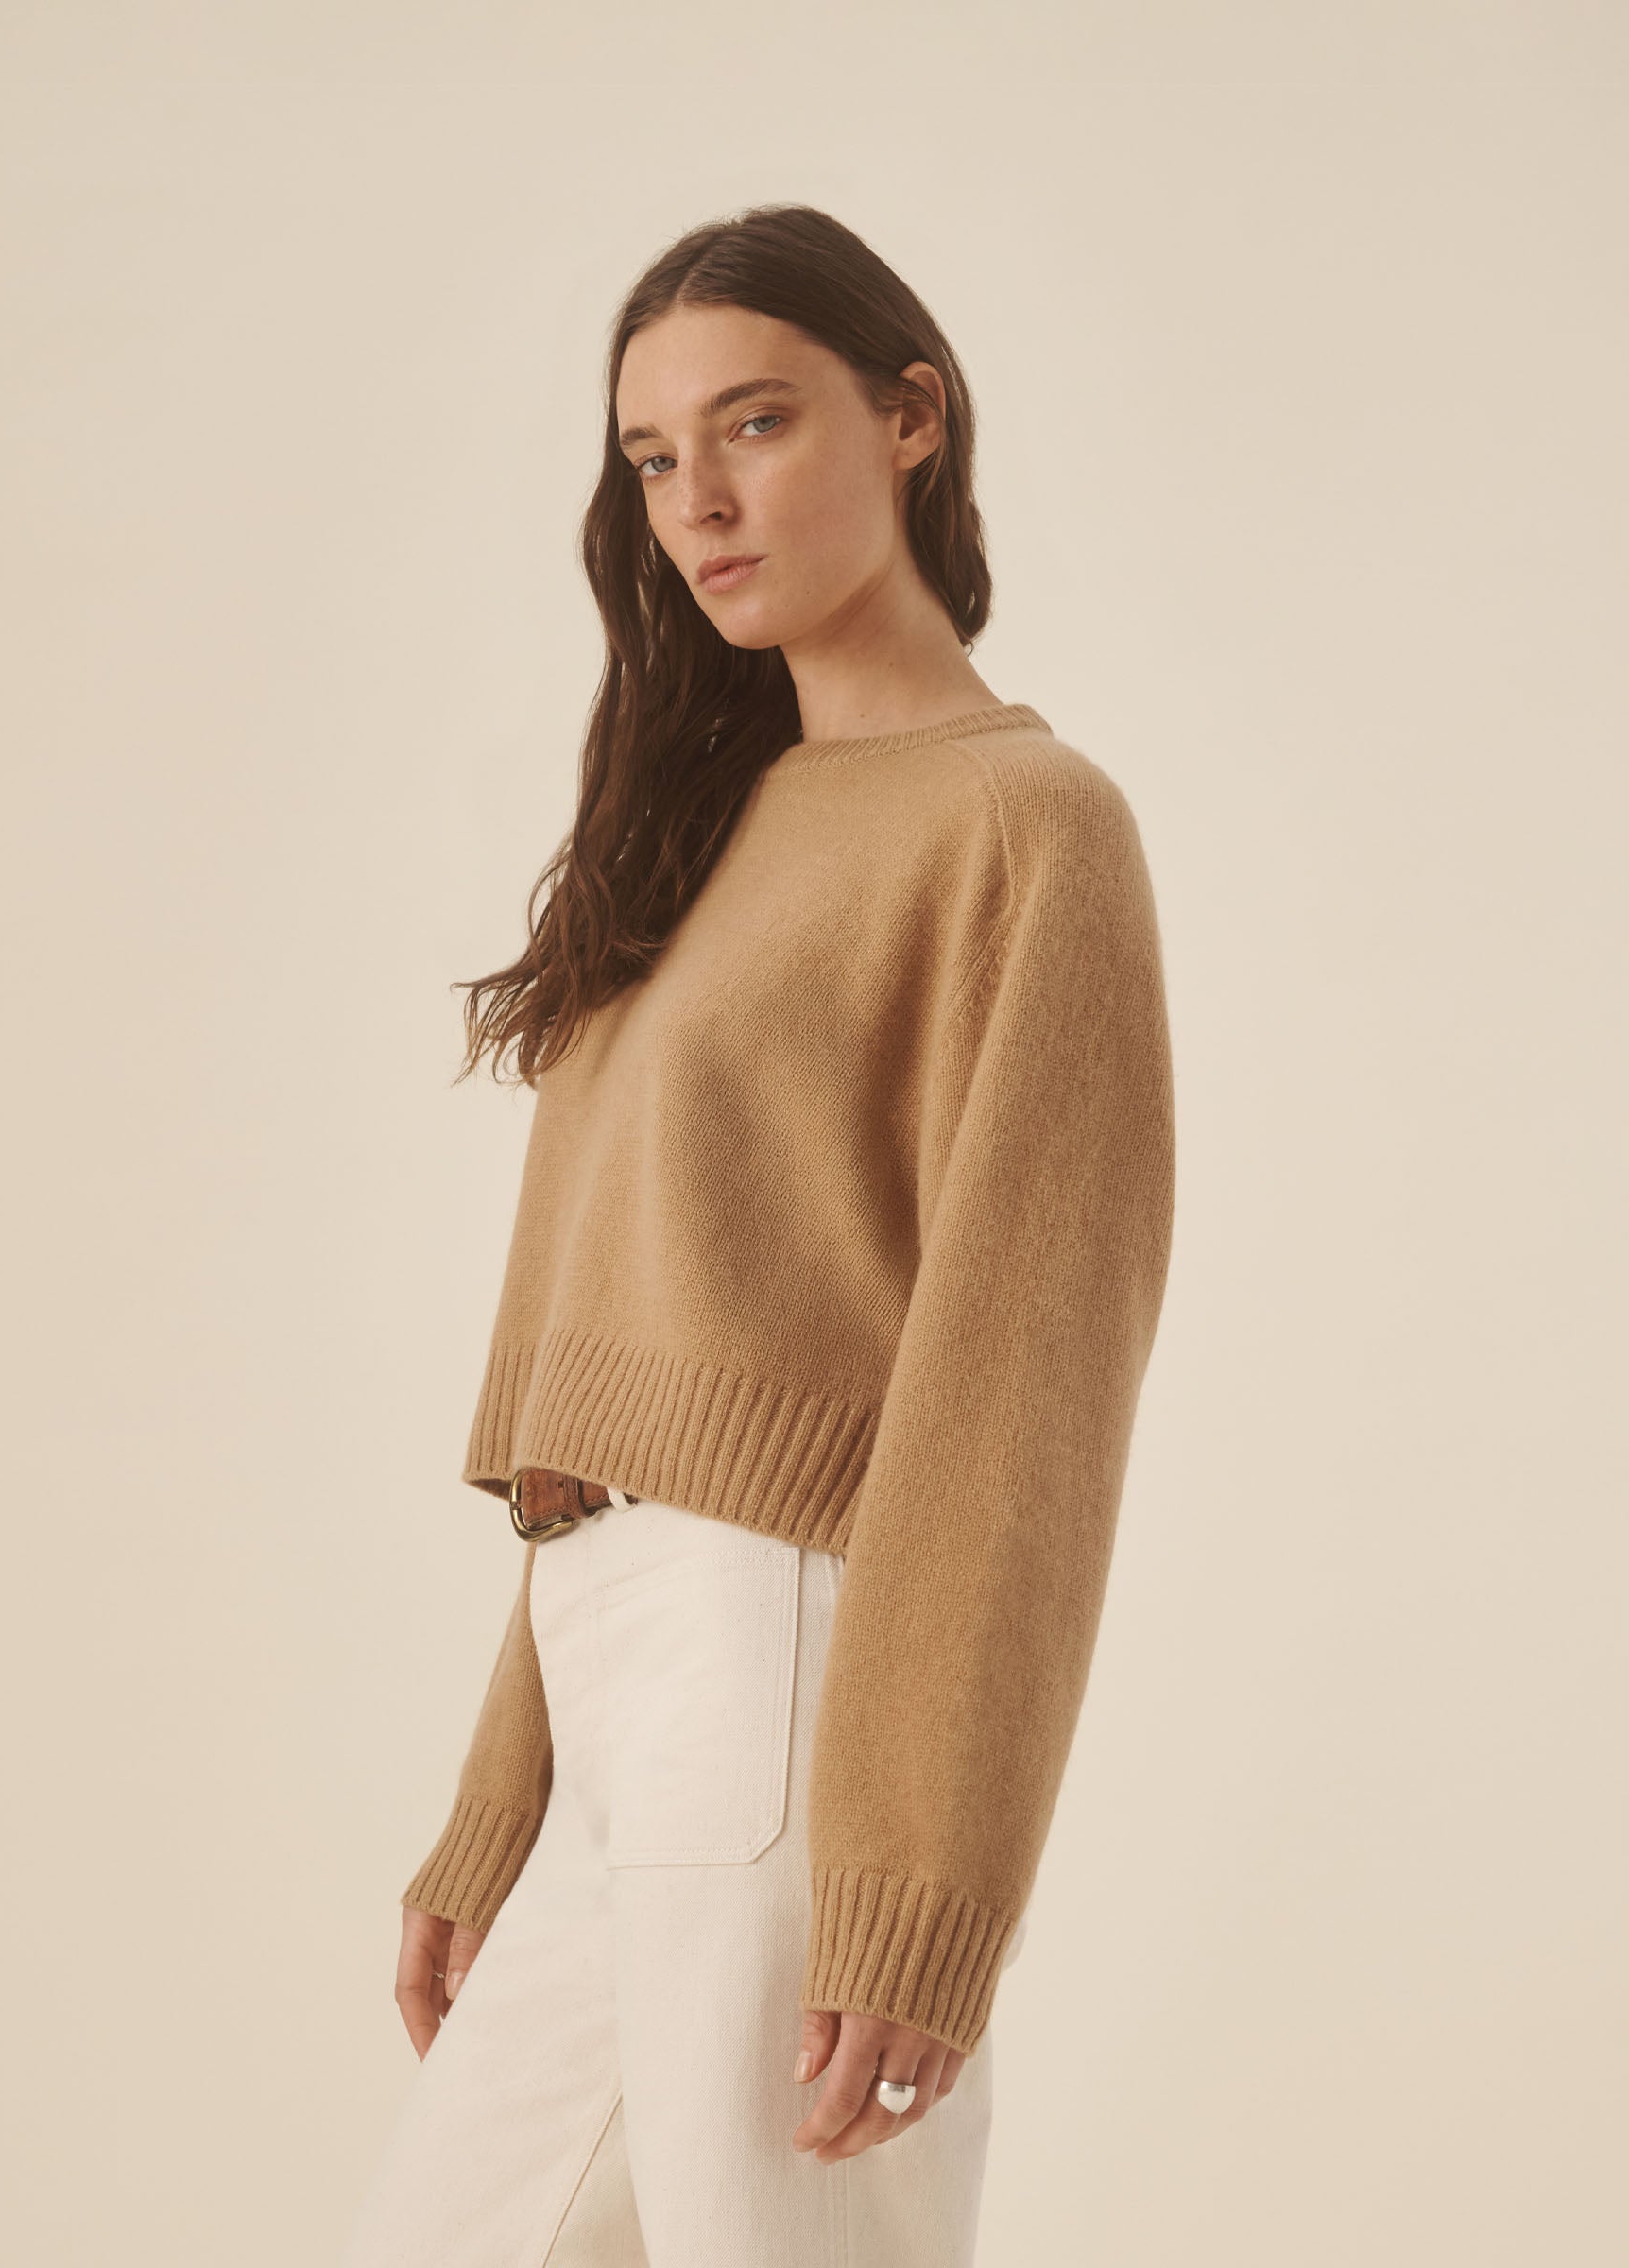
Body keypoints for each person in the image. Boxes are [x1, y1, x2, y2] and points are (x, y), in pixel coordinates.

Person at [338, 202, 1176, 2268]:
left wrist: (927, 1875)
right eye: (651, 456)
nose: (696, 500)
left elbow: (1022, 1387)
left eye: (756, 422)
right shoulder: (695, 829)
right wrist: (506, 1792)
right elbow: (614, 1401)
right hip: (617, 1670)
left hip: (804, 1677)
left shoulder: (1025, 826)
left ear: (912, 420)